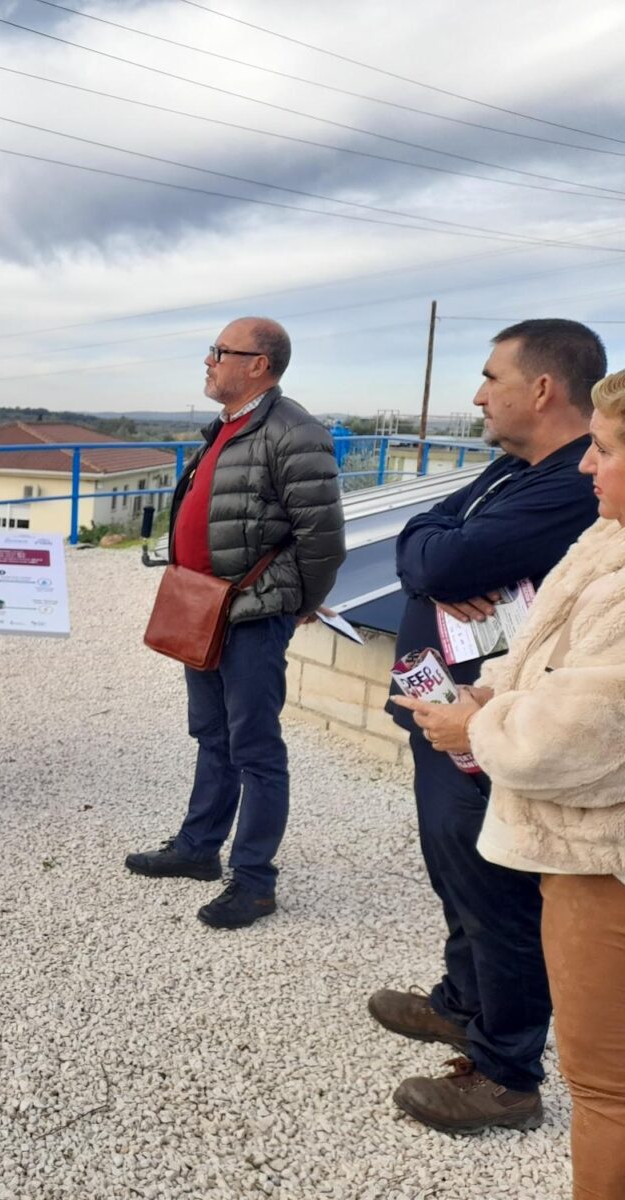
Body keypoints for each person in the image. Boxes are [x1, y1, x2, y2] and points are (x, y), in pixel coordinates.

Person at [395, 366, 625, 1197]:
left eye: (606, 449)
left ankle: (506, 1073)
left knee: (606, 1088)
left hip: (596, 851)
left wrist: (480, 726)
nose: (589, 465)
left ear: (542, 385)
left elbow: (588, 722)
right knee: (464, 881)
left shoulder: (576, 509)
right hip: (503, 756)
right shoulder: (585, 521)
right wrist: (491, 693)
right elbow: (425, 543)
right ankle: (465, 1007)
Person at [126, 318, 345, 929]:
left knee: (255, 749)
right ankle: (198, 848)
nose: (209, 360)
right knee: (212, 735)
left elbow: (323, 539)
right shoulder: (226, 427)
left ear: (258, 365)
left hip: (252, 614)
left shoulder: (295, 432)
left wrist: (297, 604)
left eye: (220, 352)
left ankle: (254, 882)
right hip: (203, 610)